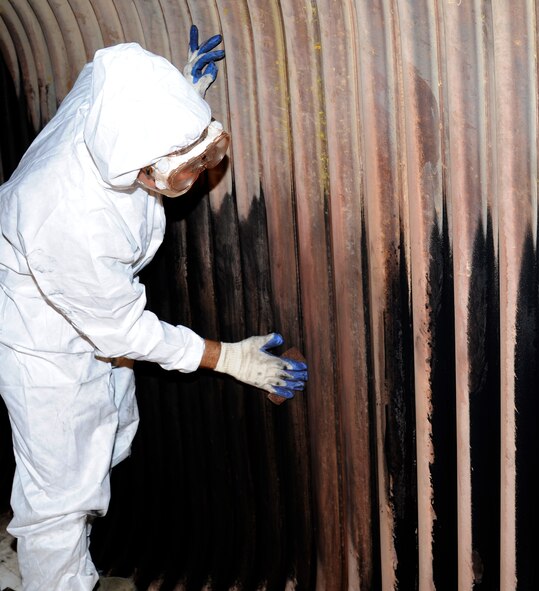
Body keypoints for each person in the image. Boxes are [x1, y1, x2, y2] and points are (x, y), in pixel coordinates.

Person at [0, 28, 308, 590]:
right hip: (43, 335)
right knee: (61, 491)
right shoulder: (65, 216)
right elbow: (123, 331)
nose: (194, 181)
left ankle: (70, 545)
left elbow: (129, 92)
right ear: (134, 168)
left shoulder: (116, 92)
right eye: (180, 173)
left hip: (93, 300)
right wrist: (225, 358)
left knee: (113, 436)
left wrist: (180, 99)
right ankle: (55, 577)